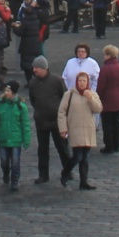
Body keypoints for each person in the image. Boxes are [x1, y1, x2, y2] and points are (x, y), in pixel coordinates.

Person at [27, 60, 69, 188]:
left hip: (57, 121)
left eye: (37, 68)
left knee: (62, 147)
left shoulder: (57, 81)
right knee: (42, 149)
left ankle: (68, 170)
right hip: (41, 121)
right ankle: (43, 174)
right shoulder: (32, 83)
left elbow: (65, 98)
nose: (34, 70)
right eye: (33, 67)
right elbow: (32, 100)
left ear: (44, 68)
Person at [57, 73, 102, 190]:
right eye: (80, 81)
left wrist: (90, 98)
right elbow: (61, 112)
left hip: (88, 130)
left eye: (84, 81)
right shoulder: (69, 94)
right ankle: (65, 172)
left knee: (85, 157)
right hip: (75, 129)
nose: (82, 83)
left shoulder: (92, 94)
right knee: (77, 157)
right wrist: (63, 128)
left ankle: (84, 181)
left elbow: (98, 109)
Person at [0, 83, 33, 192]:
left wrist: (26, 140)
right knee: (4, 161)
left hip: (15, 139)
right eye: (5, 91)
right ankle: (5, 172)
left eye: (8, 91)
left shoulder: (20, 106)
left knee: (15, 162)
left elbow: (25, 124)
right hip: (3, 138)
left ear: (13, 93)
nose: (6, 93)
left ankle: (14, 180)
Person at [96, 46, 119, 154]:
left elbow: (101, 87)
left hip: (107, 100)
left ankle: (109, 145)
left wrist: (97, 98)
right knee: (116, 123)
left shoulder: (105, 69)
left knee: (107, 124)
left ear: (108, 55)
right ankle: (116, 144)